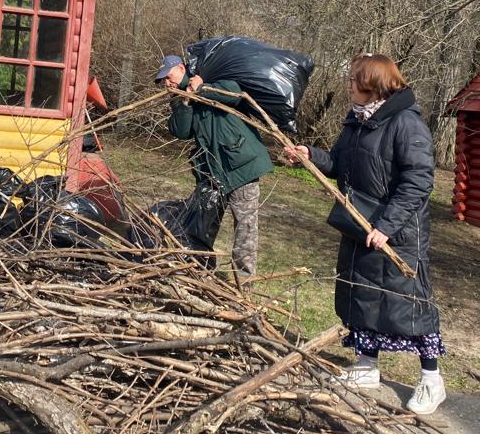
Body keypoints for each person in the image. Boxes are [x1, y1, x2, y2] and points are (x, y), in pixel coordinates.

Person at [285, 53, 445, 415]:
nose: (349, 85)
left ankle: (432, 380)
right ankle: (366, 366)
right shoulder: (356, 123)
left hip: (398, 233)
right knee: (362, 296)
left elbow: (418, 181)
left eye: (354, 80)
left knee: (411, 306)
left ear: (373, 85)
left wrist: (387, 227)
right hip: (359, 225)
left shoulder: (406, 123)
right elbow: (340, 164)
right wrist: (309, 154)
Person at [155, 54, 273, 279]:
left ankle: (244, 287)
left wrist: (202, 88)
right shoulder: (179, 98)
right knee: (202, 230)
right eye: (162, 81)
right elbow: (181, 130)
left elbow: (235, 94)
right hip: (211, 174)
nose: (166, 83)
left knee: (245, 233)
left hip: (241, 167)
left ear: (181, 68)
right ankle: (199, 278)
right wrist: (186, 101)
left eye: (167, 77)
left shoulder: (209, 78)